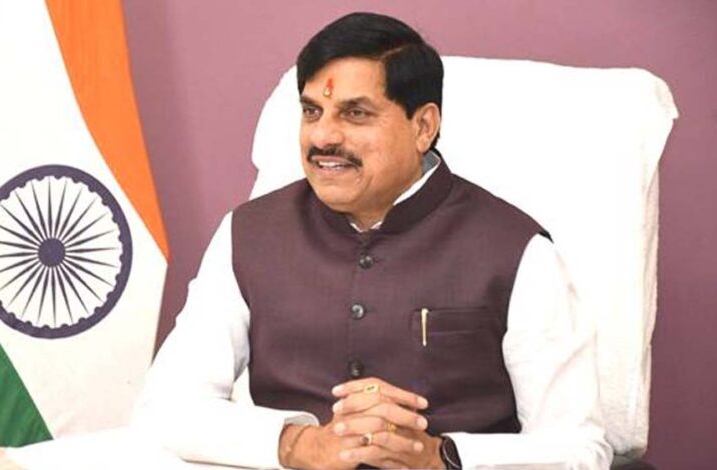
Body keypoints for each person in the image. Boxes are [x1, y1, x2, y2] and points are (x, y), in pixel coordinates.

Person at [134, 12, 612, 470]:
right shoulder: (249, 236)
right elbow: (167, 405)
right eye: (312, 111)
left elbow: (580, 449)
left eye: (355, 114)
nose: (323, 137)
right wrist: (299, 444)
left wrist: (440, 456)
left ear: (423, 127)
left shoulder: (515, 250)